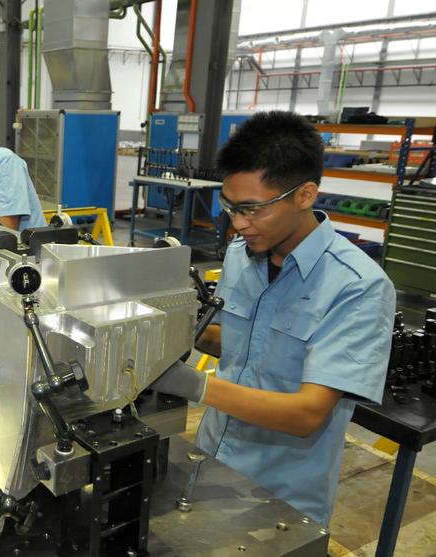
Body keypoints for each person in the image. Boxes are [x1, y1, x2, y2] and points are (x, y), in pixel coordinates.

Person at [152, 111, 395, 527]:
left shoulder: (358, 287)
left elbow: (307, 414)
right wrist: (174, 330)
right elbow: (242, 343)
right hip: (211, 457)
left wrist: (190, 383)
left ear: (305, 195)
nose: (239, 225)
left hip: (281, 495)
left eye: (252, 210)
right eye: (231, 208)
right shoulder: (239, 257)